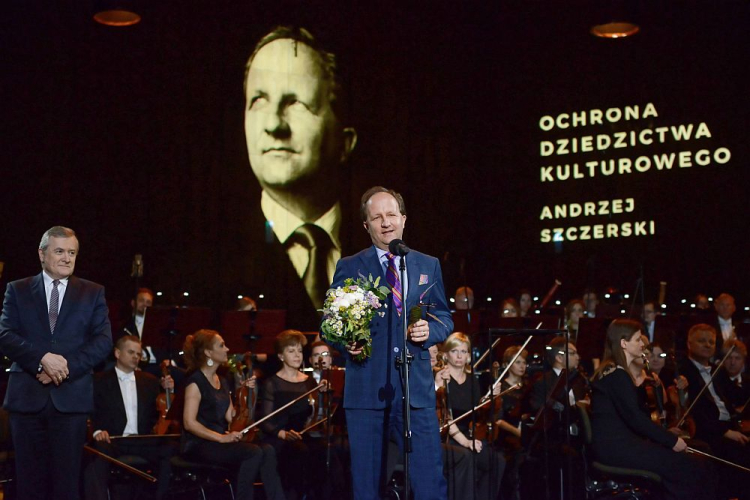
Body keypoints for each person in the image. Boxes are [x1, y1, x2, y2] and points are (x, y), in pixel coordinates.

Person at [328, 186, 453, 499]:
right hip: (367, 391)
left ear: (404, 219)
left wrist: (430, 331)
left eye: (391, 215)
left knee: (428, 483)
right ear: (367, 225)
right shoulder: (350, 266)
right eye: (377, 217)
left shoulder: (427, 265)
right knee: (367, 486)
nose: (386, 222)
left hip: (416, 392)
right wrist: (347, 342)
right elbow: (329, 324)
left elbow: (444, 319)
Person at [241, 26, 358, 330]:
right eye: (258, 100)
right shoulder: (212, 255)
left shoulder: (377, 248)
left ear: (344, 143)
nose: (274, 125)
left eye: (297, 104)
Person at [0, 226, 112, 499]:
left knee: (66, 485)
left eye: (72, 252)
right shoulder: (18, 289)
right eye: (59, 251)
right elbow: (5, 335)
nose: (66, 258)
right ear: (42, 253)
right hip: (27, 399)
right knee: (28, 484)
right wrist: (41, 360)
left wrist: (63, 368)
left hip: (71, 401)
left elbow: (103, 342)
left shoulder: (93, 292)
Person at [589, 319, 715, 499]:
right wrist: (671, 441)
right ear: (624, 343)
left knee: (696, 460)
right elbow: (636, 419)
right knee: (687, 465)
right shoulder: (617, 375)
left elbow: (636, 414)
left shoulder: (616, 372)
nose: (643, 344)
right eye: (638, 339)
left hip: (622, 444)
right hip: (617, 449)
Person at [181, 329, 284, 500]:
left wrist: (246, 394)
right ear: (208, 352)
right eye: (221, 345)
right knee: (253, 452)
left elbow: (231, 417)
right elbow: (189, 423)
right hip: (199, 444)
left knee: (267, 449)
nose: (227, 349)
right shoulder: (195, 381)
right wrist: (221, 438)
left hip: (219, 441)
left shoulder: (222, 380)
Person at [85, 335, 176, 500]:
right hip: (113, 439)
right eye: (131, 352)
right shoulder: (99, 380)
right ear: (117, 353)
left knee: (169, 451)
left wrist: (168, 390)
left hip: (141, 440)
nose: (136, 356)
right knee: (96, 455)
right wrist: (97, 430)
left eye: (139, 354)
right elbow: (90, 410)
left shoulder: (150, 381)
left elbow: (162, 411)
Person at [679, 324, 750, 499]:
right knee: (737, 454)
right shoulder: (683, 370)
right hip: (709, 432)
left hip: (729, 426)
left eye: (711, 341)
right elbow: (697, 412)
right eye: (701, 341)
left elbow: (739, 396)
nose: (708, 345)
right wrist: (726, 432)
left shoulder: (717, 370)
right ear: (689, 344)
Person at [435, 333, 505, 499]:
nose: (459, 356)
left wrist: (489, 399)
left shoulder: (472, 379)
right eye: (454, 351)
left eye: (464, 351)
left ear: (468, 355)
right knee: (467, 458)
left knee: (497, 461)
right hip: (449, 437)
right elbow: (447, 417)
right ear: (446, 354)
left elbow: (478, 413)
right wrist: (465, 442)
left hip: (469, 435)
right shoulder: (441, 377)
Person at [496, 345, 531, 500]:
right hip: (508, 438)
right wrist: (518, 433)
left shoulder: (530, 387)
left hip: (527, 435)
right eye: (517, 362)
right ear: (507, 365)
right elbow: (498, 420)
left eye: (524, 362)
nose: (522, 366)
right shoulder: (501, 387)